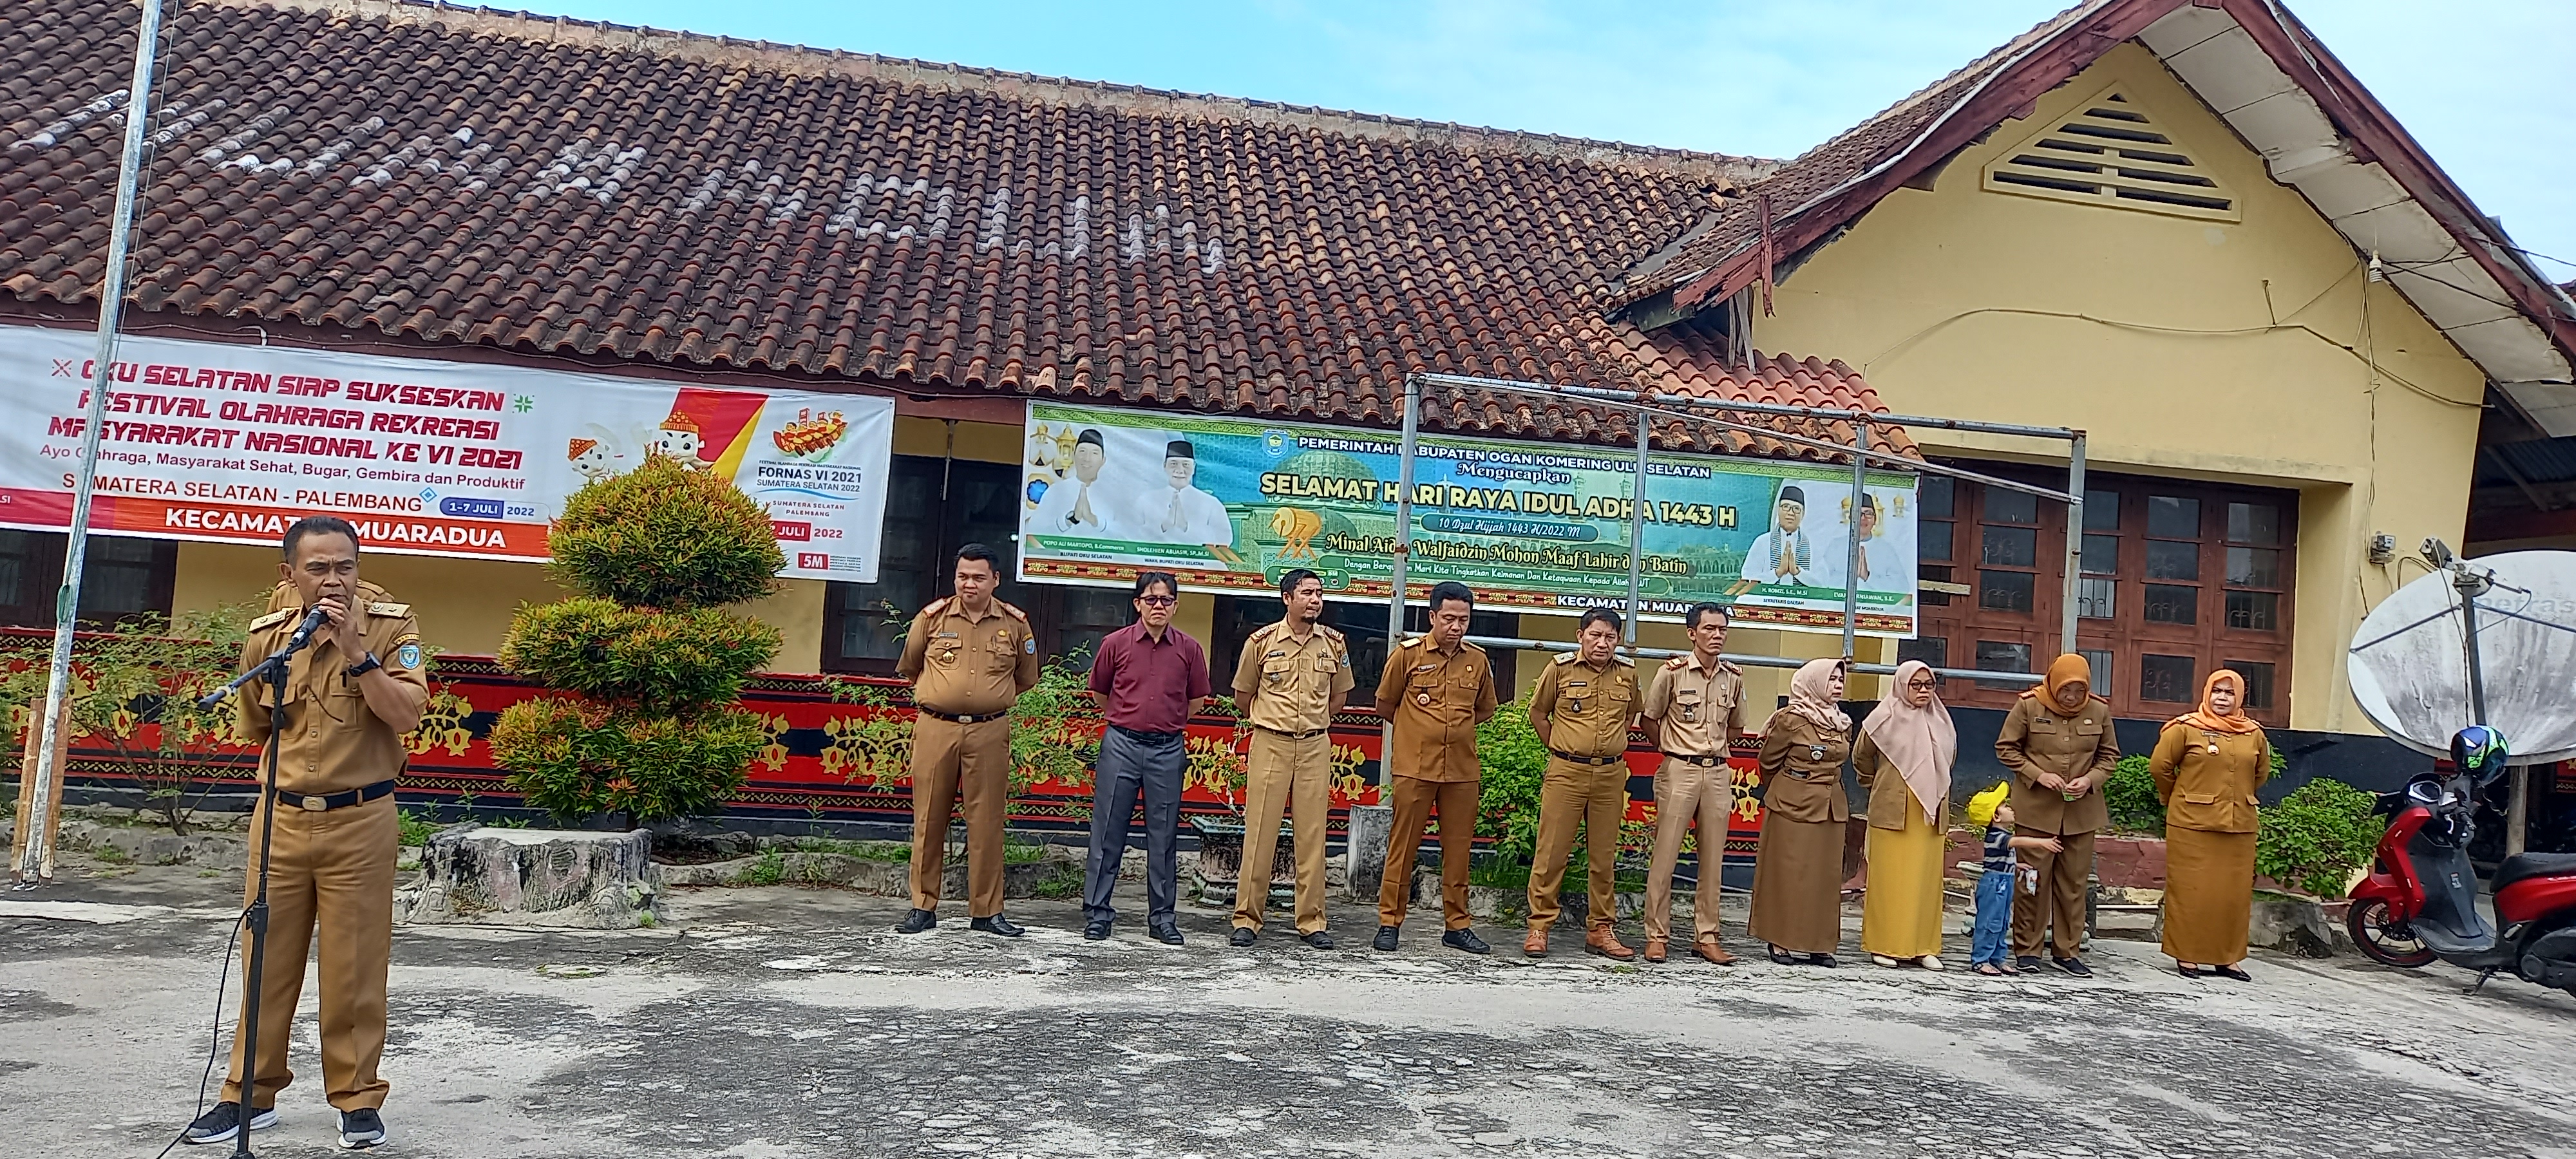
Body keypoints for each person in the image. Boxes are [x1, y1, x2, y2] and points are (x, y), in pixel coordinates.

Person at [181, 516, 428, 1150]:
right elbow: (258, 727)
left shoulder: (392, 626)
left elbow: (406, 715)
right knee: (264, 960)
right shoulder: (269, 637)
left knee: (353, 969)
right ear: (289, 573)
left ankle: (356, 1099)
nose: (334, 579)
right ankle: (247, 1096)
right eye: (318, 568)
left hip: (361, 818)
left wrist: (357, 654)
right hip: (281, 820)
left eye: (345, 566)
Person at [894, 544, 1039, 939]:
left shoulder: (1015, 624)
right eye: (962, 576)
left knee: (987, 821)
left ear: (996, 580)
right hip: (936, 728)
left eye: (978, 577)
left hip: (989, 731)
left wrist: (986, 699)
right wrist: (947, 695)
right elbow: (911, 667)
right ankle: (923, 906)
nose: (969, 584)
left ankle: (987, 912)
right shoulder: (932, 618)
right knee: (929, 819)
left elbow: (1026, 677)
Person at [1370, 581, 1500, 955]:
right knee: (1403, 847)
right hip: (1415, 766)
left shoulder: (1477, 660)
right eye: (1449, 618)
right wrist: (1418, 732)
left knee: (1458, 851)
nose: (1456, 626)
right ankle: (1389, 922)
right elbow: (1385, 704)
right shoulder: (1408, 656)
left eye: (1464, 619)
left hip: (1461, 769)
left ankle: (1457, 926)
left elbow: (1485, 709)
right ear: (1432, 616)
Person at [1080, 570, 1209, 945]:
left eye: (1166, 600)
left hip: (1167, 748)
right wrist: (1131, 718)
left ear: (1175, 606)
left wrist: (1165, 723)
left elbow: (1197, 700)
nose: (1158, 607)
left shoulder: (1189, 649)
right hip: (1121, 744)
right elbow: (1100, 693)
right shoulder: (1115, 644)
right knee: (1107, 830)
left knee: (1164, 835)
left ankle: (1162, 918)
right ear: (1137, 604)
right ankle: (1098, 914)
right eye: (1151, 600)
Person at [1229, 567, 1352, 948]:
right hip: (1271, 742)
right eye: (1307, 593)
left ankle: (1312, 921)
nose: (1315, 600)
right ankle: (1247, 919)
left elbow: (1339, 696)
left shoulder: (1334, 644)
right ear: (1287, 598)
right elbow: (1244, 695)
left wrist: (1314, 724)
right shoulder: (1261, 642)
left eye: (1319, 593)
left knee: (1312, 835)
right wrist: (1272, 722)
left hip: (1315, 745)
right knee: (1260, 832)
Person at [1524, 608, 1641, 960]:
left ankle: (1601, 929)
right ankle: (1539, 926)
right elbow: (1538, 713)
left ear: (1617, 640)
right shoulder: (1560, 669)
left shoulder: (1627, 674)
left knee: (1603, 858)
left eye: (1609, 637)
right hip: (1567, 772)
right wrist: (1559, 746)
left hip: (1609, 774)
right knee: (1552, 853)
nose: (1602, 643)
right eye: (1595, 635)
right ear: (1581, 636)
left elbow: (1631, 715)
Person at [1993, 652, 2119, 977]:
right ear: (2053, 683)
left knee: (2073, 885)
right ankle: (2028, 950)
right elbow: (2006, 747)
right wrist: (2038, 775)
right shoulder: (2029, 706)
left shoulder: (2099, 711)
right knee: (2032, 881)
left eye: (2079, 690)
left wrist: (2090, 780)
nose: (2072, 697)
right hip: (2036, 810)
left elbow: (2109, 756)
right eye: (2066, 690)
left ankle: (2067, 951)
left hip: (2081, 813)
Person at [1639, 602, 1747, 965]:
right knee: (1666, 856)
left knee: (1713, 859)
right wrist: (1673, 750)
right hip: (1679, 768)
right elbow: (1650, 719)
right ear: (1692, 633)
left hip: (1717, 771)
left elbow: (1736, 726)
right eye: (1709, 629)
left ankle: (1707, 936)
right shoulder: (1671, 674)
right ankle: (1657, 936)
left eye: (1722, 629)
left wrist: (1713, 750)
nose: (1717, 636)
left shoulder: (1733, 677)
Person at [2152, 670, 2271, 981]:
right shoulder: (2185, 728)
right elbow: (2160, 767)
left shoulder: (2253, 733)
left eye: (2229, 693)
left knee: (2232, 895)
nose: (2222, 698)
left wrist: (2238, 797)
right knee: (2192, 892)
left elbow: (2260, 773)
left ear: (2240, 697)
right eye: (2217, 691)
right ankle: (2187, 954)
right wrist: (2177, 796)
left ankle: (2228, 959)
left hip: (2239, 824)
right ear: (2207, 693)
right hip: (2192, 824)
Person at [1750, 657, 1853, 966]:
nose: (1837, 685)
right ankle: (1780, 940)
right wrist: (1793, 786)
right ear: (1814, 683)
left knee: (1823, 876)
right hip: (1793, 804)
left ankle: (1817, 943)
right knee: (1788, 873)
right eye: (1831, 679)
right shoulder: (1791, 719)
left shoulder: (1842, 722)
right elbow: (1768, 761)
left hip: (1830, 807)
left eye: (1840, 680)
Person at [1855, 659, 1955, 970]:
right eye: (1916, 685)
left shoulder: (1942, 721)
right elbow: (1862, 758)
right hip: (1893, 811)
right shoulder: (1882, 718)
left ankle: (1923, 947)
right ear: (1902, 685)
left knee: (1924, 881)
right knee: (1890, 881)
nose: (1924, 691)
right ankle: (1884, 945)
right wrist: (1879, 786)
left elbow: (1949, 761)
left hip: (1930, 813)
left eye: (1929, 685)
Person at [1962, 782, 2061, 977]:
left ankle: (1997, 958)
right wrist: (2043, 843)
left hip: (2005, 882)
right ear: (1996, 817)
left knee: (2002, 922)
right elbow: (2017, 842)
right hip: (1994, 884)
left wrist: (2017, 866)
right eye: (2004, 806)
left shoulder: (2002, 836)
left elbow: (1999, 859)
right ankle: (1981, 959)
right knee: (1990, 922)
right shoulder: (1997, 836)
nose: (2010, 808)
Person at [1031, 428, 1124, 538]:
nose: (1087, 459)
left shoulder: (1113, 495)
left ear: (1103, 460)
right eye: (1082, 451)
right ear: (1074, 456)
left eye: (1094, 453)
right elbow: (1033, 531)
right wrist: (1070, 520)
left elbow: (1128, 534)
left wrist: (1094, 520)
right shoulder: (1056, 491)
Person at [1144, 438, 1235, 547]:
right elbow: (1131, 533)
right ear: (1164, 466)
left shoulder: (1211, 503)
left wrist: (1187, 528)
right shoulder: (1147, 499)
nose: (1180, 470)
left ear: (1194, 467)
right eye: (1173, 464)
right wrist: (1163, 526)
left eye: (1186, 465)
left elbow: (1225, 539)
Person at [1738, 485, 1815, 586]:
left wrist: (1798, 572)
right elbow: (1747, 578)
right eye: (1786, 507)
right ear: (1779, 510)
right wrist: (1778, 573)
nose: (1791, 513)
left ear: (1803, 514)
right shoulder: (1762, 542)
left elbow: (1822, 584)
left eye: (1796, 509)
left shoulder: (1812, 546)